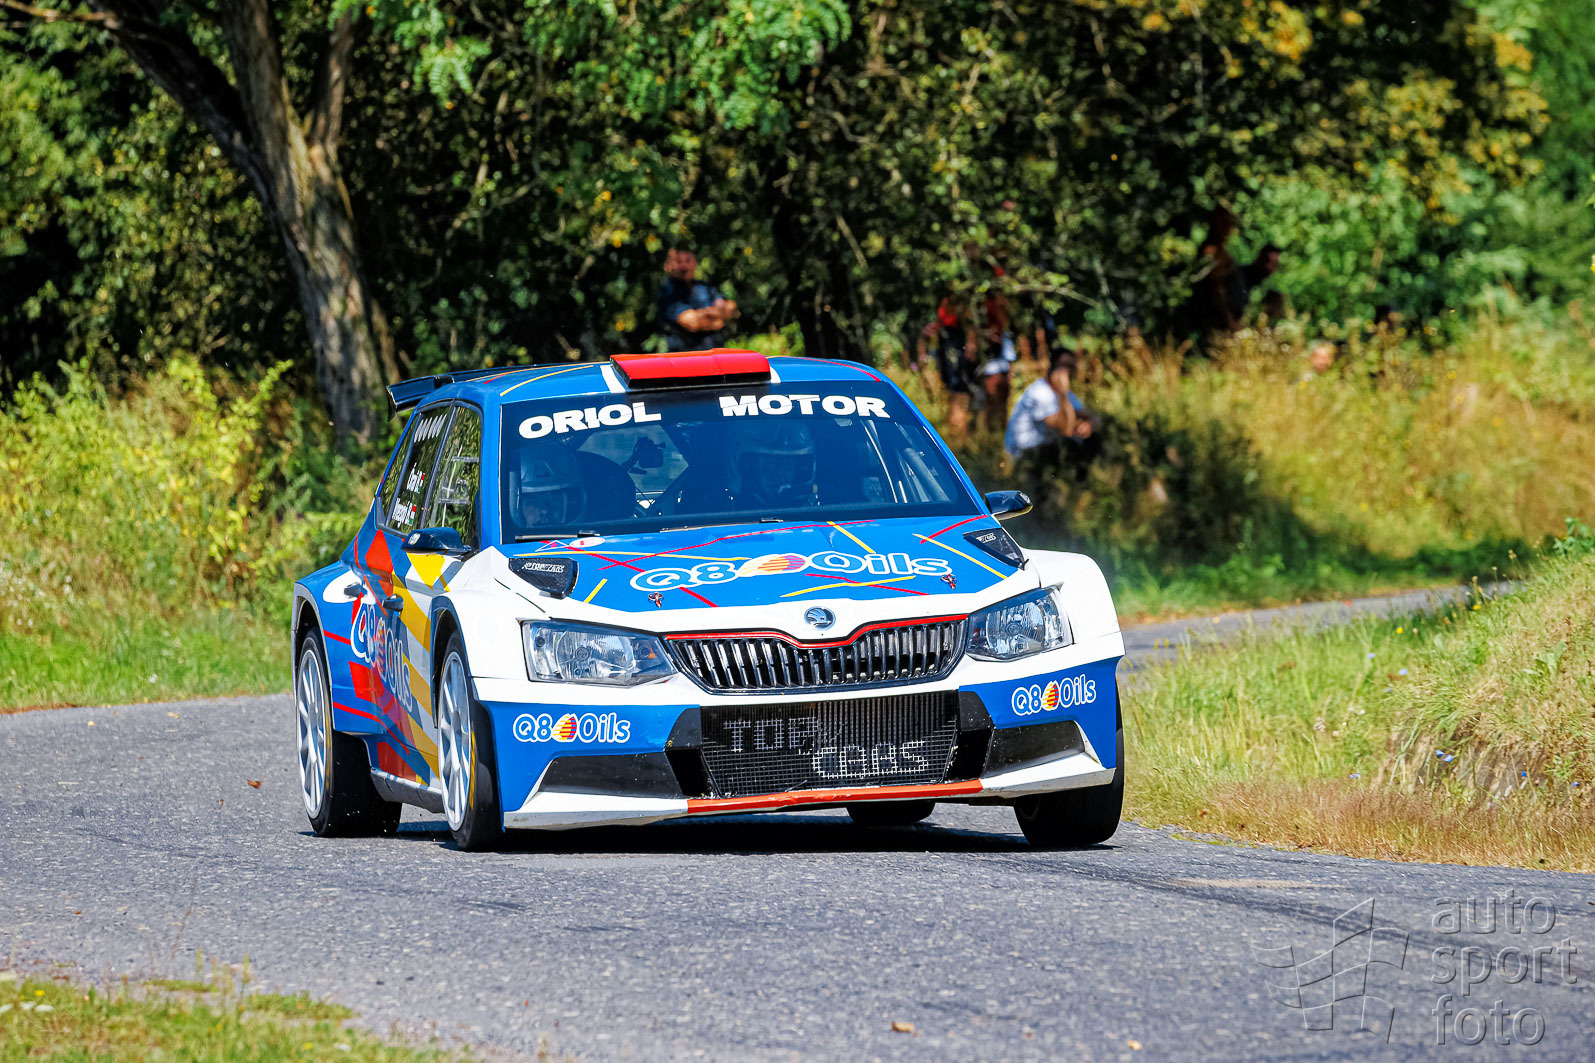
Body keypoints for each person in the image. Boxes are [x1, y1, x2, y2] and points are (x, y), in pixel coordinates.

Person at [1004, 351, 1101, 481]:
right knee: (1067, 443)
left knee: (1093, 439)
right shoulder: (1041, 393)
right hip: (1025, 455)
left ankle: (1080, 484)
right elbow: (1065, 429)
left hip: (1044, 451)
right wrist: (1063, 394)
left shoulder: (1066, 394)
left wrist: (1089, 425)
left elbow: (1095, 418)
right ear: (1053, 367)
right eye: (1064, 365)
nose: (1068, 371)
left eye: (1071, 367)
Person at [656, 248, 738, 352]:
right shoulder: (668, 290)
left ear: (695, 262)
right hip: (685, 356)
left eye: (688, 260)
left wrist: (703, 316)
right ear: (669, 265)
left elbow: (730, 308)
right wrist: (717, 318)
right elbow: (691, 322)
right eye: (679, 261)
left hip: (715, 354)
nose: (684, 266)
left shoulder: (705, 287)